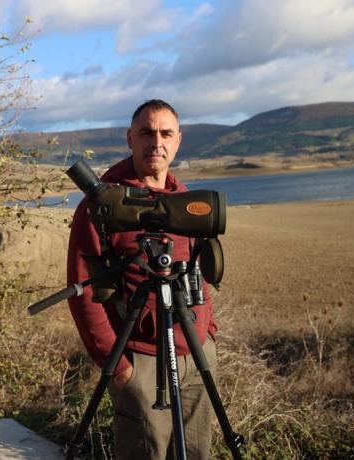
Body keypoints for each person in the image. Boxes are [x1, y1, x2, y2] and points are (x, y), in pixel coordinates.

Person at [67, 99, 218, 459]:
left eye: (166, 133)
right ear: (130, 138)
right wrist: (117, 367)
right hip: (141, 360)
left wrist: (208, 332)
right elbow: (84, 293)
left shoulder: (185, 201)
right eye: (147, 133)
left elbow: (198, 271)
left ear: (178, 141)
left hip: (195, 356)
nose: (157, 142)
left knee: (198, 451)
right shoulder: (102, 206)